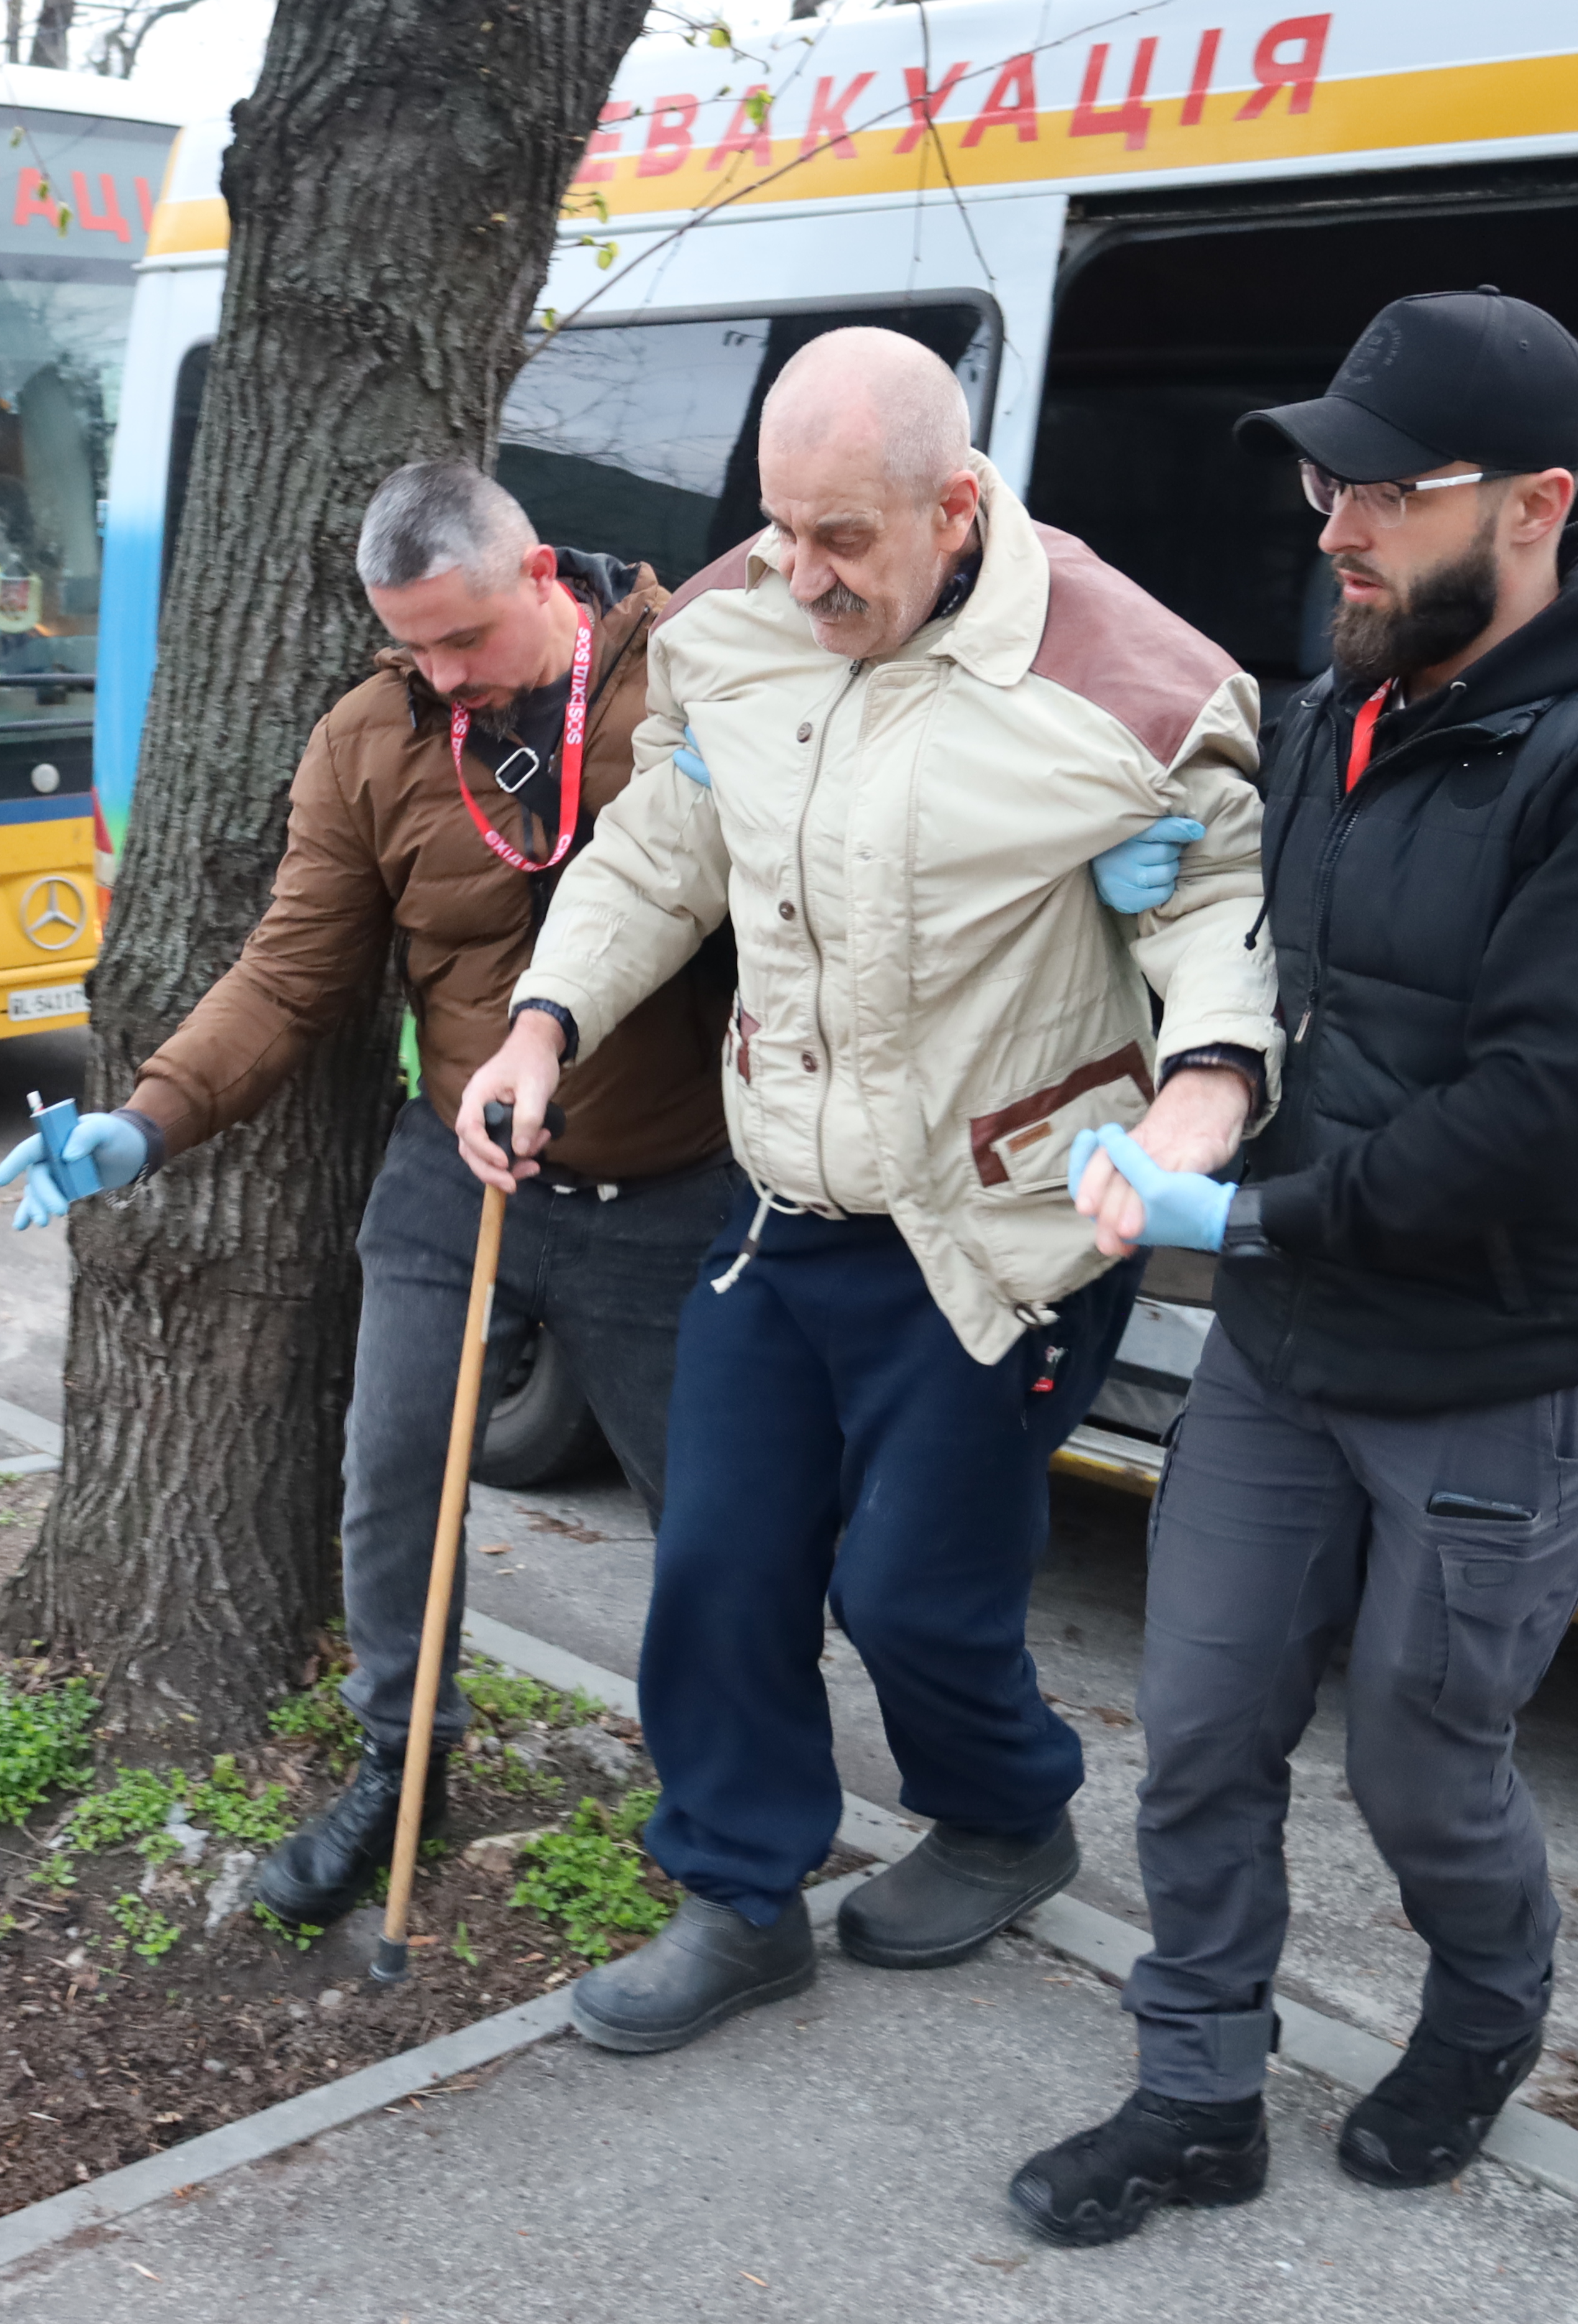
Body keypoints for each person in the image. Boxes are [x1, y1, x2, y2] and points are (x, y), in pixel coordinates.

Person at [1012, 287, 1578, 2244]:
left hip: (1501, 1363)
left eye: (1379, 493)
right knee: (1200, 1730)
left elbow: (1538, 1117)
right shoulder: (1352, 689)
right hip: (1290, 1333)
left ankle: (1488, 2011)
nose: (1329, 527)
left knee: (1428, 1771)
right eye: (1324, 484)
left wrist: (1233, 1219)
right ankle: (1195, 2092)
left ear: (1531, 505)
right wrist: (1164, 903)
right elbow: (1292, 937)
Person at [456, 328, 1270, 2055]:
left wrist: (1201, 1102)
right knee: (724, 1568)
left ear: (954, 507)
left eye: (844, 540)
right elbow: (665, 852)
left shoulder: (1129, 678)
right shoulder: (739, 628)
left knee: (910, 1591)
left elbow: (1216, 919)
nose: (800, 575)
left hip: (1002, 1230)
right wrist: (545, 1025)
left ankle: (1004, 1817)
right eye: (781, 526)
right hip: (787, 1205)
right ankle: (740, 1899)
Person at [0, 461, 736, 1926]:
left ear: (541, 577)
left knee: (710, 1519)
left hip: (666, 1188)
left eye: (461, 642)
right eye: (410, 649)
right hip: (452, 1176)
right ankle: (403, 1770)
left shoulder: (693, 689)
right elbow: (291, 974)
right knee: (391, 1476)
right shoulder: (371, 739)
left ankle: (719, 1797)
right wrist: (144, 1124)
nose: (441, 677)